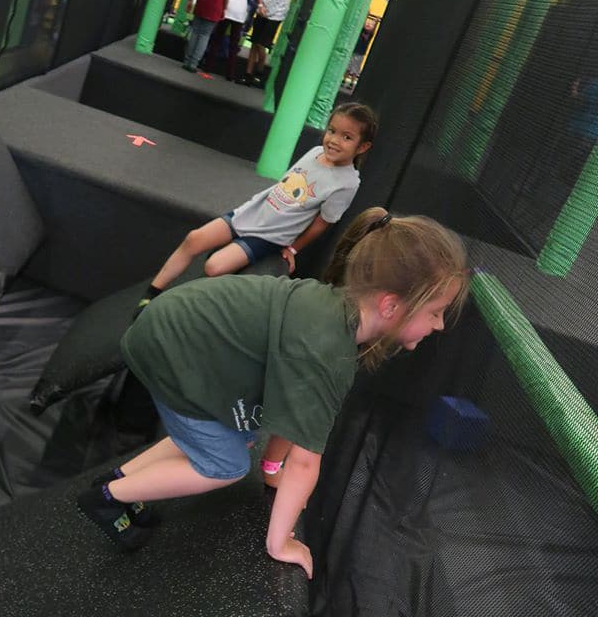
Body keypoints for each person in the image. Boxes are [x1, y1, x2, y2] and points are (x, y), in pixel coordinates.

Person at [77, 207, 470, 568]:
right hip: (172, 347)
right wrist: (280, 544)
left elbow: (291, 425)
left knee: (231, 435)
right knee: (225, 465)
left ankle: (116, 479)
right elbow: (304, 462)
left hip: (181, 335)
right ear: (390, 306)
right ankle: (109, 498)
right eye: (435, 313)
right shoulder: (327, 351)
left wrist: (269, 469)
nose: (438, 325)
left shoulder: (335, 315)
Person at [135, 103, 378, 316]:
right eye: (332, 131)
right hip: (251, 213)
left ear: (362, 147)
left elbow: (324, 222)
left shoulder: (347, 183)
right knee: (194, 239)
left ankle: (179, 309)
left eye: (346, 137)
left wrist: (293, 248)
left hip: (270, 235)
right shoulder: (316, 152)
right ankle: (151, 294)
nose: (334, 140)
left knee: (213, 267)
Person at [202, 0, 254, 81]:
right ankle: (230, 74)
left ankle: (208, 66)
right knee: (233, 44)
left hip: (228, 9)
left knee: (216, 39)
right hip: (240, 12)